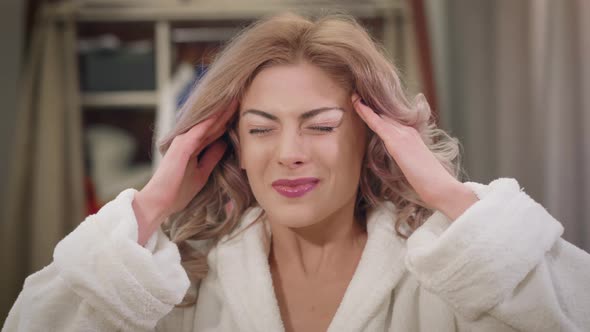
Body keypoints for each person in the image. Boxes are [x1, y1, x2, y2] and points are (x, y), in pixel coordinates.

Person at [3, 11, 590, 332]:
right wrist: (152, 205)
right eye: (261, 128)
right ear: (230, 141)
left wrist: (446, 194)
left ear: (374, 134)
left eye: (321, 124)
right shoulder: (179, 285)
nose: (289, 152)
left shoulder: (450, 275)